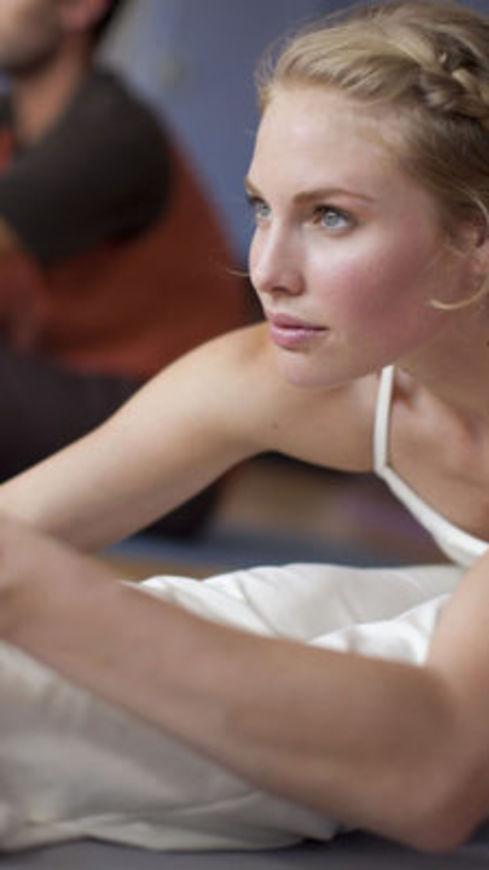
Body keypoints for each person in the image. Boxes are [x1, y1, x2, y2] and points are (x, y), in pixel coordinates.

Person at [0, 0, 489, 855]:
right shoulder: (287, 378)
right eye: (262, 207)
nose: (266, 269)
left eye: (330, 216)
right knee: (252, 615)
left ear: (473, 237)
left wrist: (29, 589)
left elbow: (432, 776)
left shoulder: (109, 130)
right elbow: (19, 527)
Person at [0, 0, 245, 534]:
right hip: (53, 399)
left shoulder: (114, 133)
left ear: (79, 8)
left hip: (169, 452)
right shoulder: (11, 129)